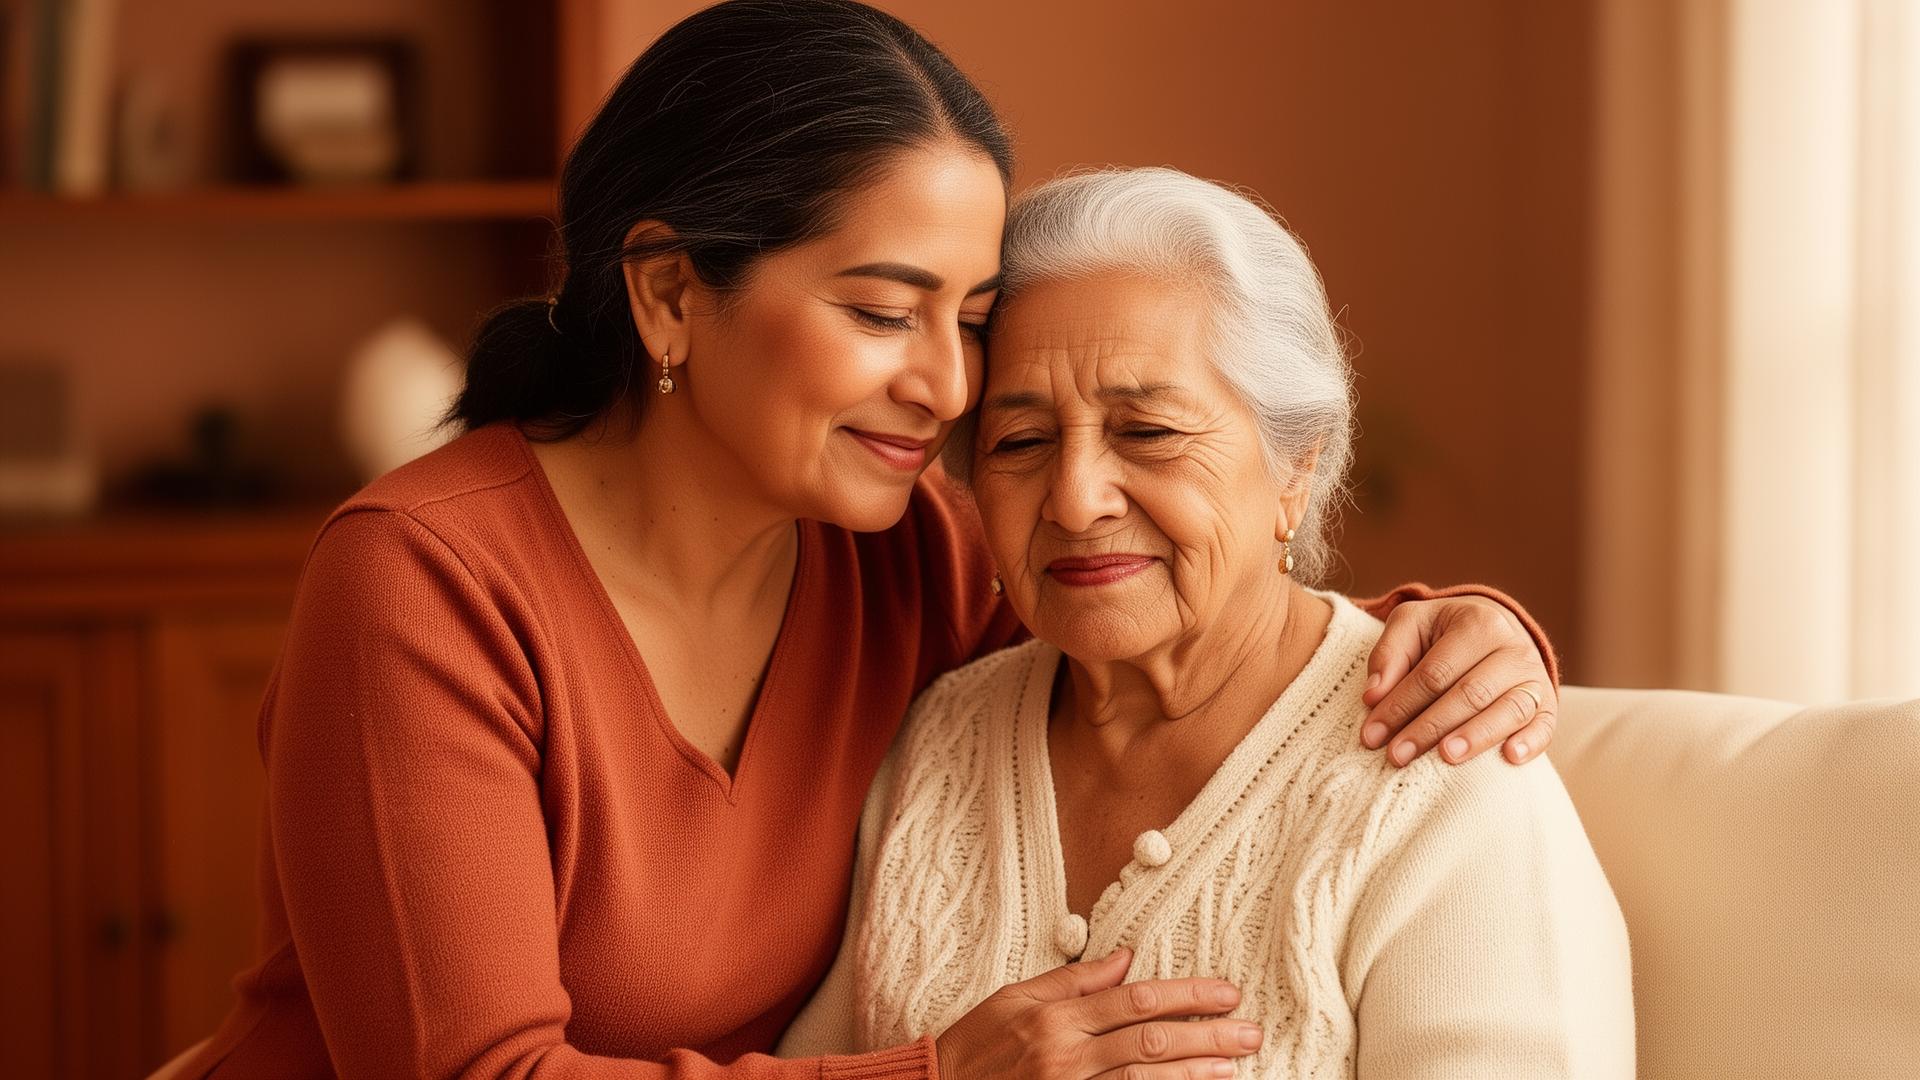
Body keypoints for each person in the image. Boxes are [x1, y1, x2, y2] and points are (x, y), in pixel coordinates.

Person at [163, 5, 1564, 1078]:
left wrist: (1454, 628)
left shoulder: (902, 556)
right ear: (667, 295)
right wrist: (943, 1073)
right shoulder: (423, 582)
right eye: (884, 313)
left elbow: (1165, 612)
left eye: (966, 324)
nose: (951, 393)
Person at [778, 168, 1633, 1078]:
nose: (1074, 499)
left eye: (1147, 432)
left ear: (1295, 468)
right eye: (1020, 443)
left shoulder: (1441, 779)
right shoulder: (937, 743)